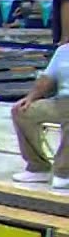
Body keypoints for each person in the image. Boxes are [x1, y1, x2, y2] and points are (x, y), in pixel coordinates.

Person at [12, 42, 69, 188]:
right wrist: (30, 98)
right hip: (61, 101)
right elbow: (47, 79)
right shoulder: (63, 51)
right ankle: (38, 166)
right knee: (21, 111)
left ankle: (64, 171)